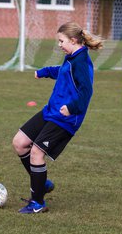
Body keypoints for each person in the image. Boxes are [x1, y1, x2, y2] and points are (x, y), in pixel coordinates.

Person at [12, 21, 103, 213]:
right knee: (19, 142)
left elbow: (86, 93)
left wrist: (71, 108)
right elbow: (62, 73)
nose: (59, 45)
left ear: (73, 40)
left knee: (37, 153)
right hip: (50, 111)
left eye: (61, 41)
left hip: (66, 119)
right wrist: (44, 72)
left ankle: (38, 203)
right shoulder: (71, 57)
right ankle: (42, 183)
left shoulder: (81, 62)